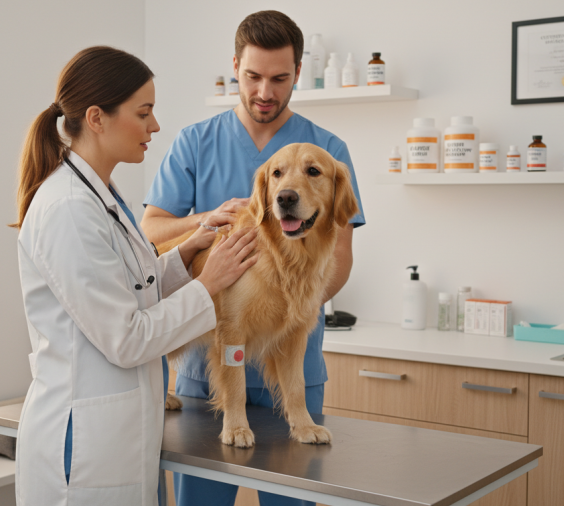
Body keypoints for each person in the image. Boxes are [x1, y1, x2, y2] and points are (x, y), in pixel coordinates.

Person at [13, 46, 259, 506]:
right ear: (96, 118)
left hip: (116, 435)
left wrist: (188, 252)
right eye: (143, 112)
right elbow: (126, 338)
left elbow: (132, 289)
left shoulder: (98, 194)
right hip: (83, 447)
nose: (155, 126)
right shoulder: (68, 209)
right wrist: (210, 284)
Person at [141, 10, 366, 506]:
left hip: (296, 363)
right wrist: (207, 219)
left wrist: (296, 303)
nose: (265, 91)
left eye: (280, 78)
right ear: (236, 66)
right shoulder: (195, 142)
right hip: (211, 371)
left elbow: (342, 254)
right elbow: (150, 230)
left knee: (292, 498)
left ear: (298, 74)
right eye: (253, 76)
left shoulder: (330, 149)